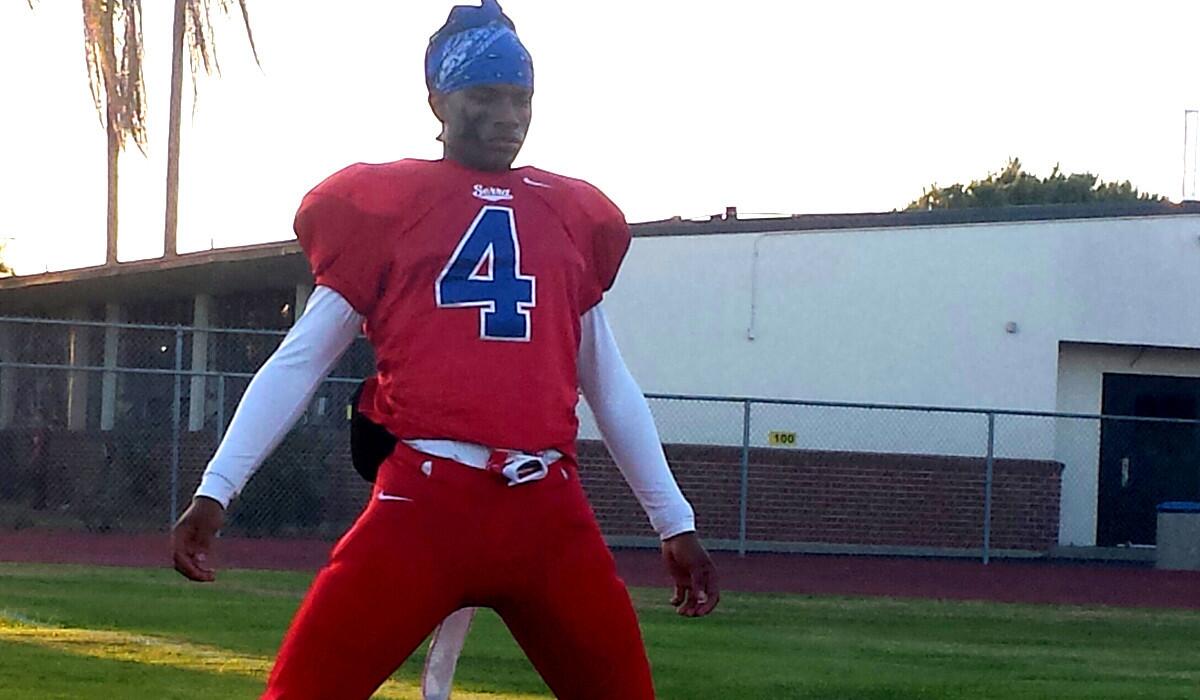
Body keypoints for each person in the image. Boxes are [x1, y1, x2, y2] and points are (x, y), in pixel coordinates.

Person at [170, 2, 719, 698]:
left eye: (520, 98)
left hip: (546, 510)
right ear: (438, 99)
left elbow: (608, 385)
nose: (507, 116)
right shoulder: (388, 204)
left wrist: (674, 522)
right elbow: (300, 359)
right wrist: (216, 489)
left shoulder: (570, 214)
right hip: (426, 503)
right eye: (484, 96)